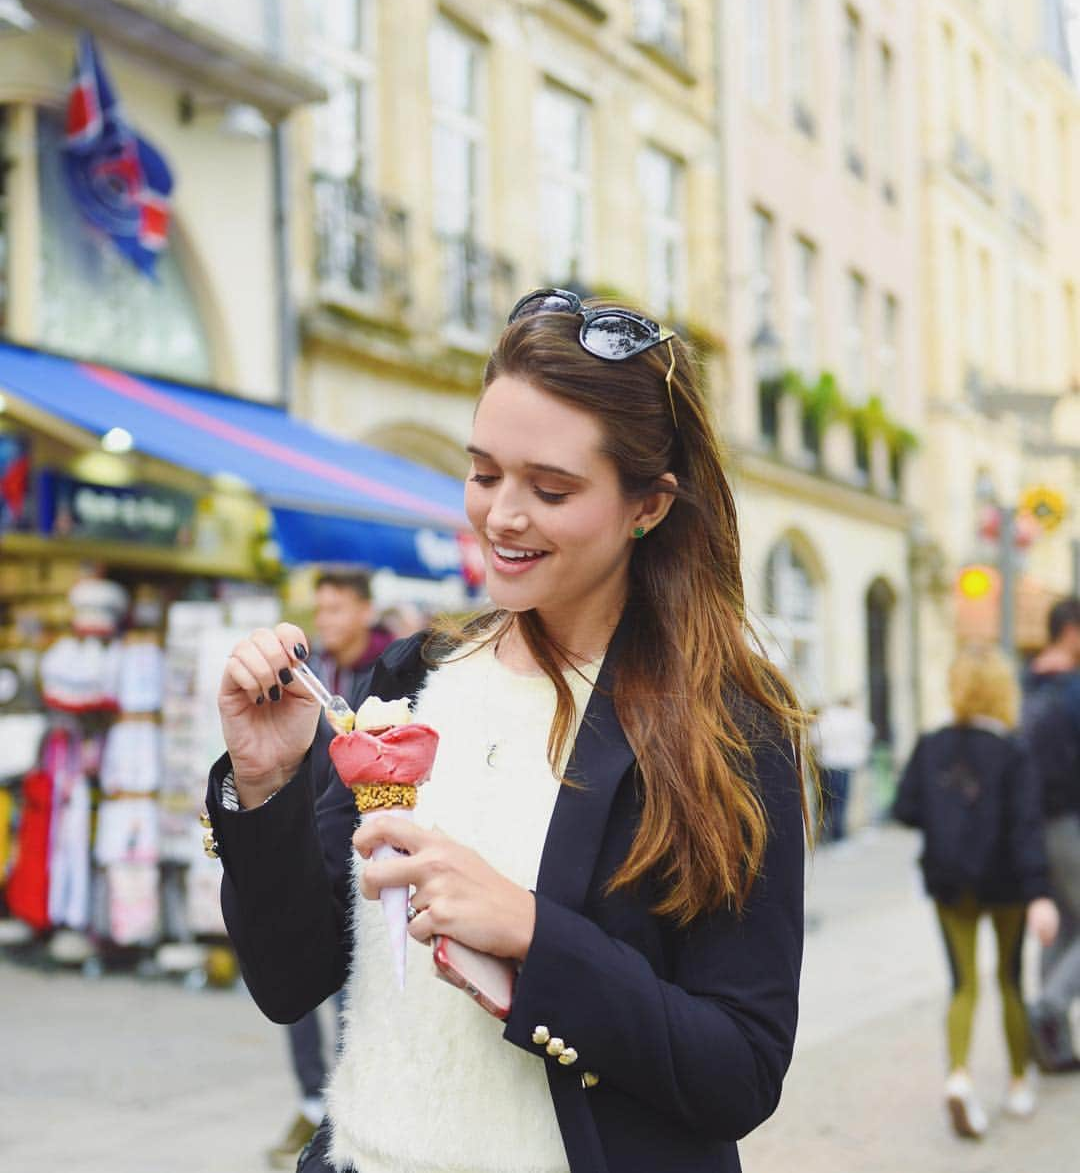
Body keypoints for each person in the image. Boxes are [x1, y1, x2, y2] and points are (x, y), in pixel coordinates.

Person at [207, 288, 811, 1173]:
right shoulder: (415, 677)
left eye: (551, 488)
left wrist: (533, 933)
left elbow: (742, 1070)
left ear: (649, 504)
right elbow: (290, 977)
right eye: (485, 473)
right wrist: (263, 786)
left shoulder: (727, 728)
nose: (501, 516)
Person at [893, 646, 1059, 1139]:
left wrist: (948, 813)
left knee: (962, 984)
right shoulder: (1012, 749)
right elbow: (1027, 827)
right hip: (1005, 884)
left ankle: (960, 1078)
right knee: (1009, 980)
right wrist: (1040, 893)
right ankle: (1017, 1083)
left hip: (949, 883)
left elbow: (904, 808)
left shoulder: (931, 743)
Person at [266, 569, 394, 1168]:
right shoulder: (316, 677)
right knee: (291, 992)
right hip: (312, 849)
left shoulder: (388, 673)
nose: (327, 622)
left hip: (362, 863)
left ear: (366, 610)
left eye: (338, 610)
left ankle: (347, 1110)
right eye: (321, 610)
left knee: (348, 996)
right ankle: (309, 1098)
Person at [1021, 596, 1080, 1073]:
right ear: (1072, 632)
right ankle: (1048, 1009)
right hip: (1067, 821)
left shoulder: (1028, 683)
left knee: (1059, 926)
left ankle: (1052, 1044)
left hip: (1032, 821)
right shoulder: (1072, 690)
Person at [810, 696, 874, 843]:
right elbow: (868, 734)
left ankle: (823, 834)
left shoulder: (827, 717)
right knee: (841, 800)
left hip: (826, 763)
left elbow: (815, 738)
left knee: (825, 801)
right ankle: (838, 834)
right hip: (846, 764)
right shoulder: (854, 718)